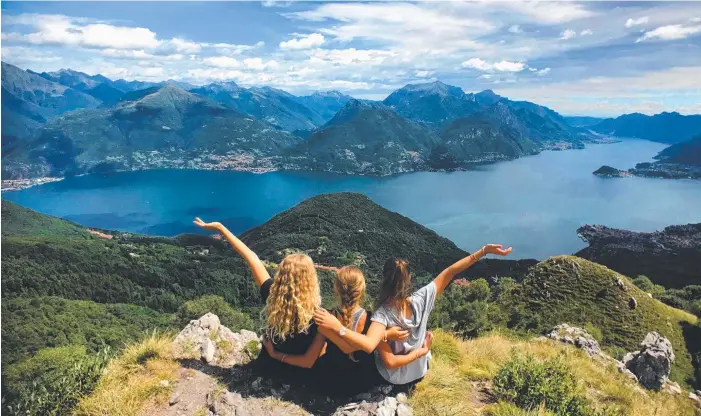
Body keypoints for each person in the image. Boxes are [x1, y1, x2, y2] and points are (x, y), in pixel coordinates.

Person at [314, 244, 513, 386]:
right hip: (419, 372)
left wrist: (336, 326)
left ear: (384, 280)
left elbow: (381, 356)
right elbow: (451, 271)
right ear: (408, 279)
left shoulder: (381, 315)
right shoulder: (422, 299)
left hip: (394, 379)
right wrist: (483, 251)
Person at [193, 217, 324, 380]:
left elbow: (251, 257)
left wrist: (221, 228)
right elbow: (313, 359)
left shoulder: (271, 294)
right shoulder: (320, 317)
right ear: (311, 281)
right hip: (300, 377)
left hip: (269, 369)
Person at [263, 265, 424, 395]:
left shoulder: (326, 319)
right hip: (363, 383)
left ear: (336, 289)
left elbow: (308, 361)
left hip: (330, 384)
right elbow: (359, 346)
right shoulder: (373, 320)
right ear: (362, 289)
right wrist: (384, 333)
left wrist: (275, 354)